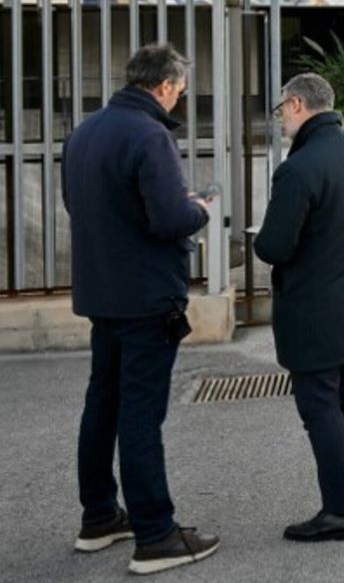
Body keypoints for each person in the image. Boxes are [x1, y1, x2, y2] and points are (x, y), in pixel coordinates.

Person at [62, 43, 220, 575]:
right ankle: (155, 535)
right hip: (146, 296)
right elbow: (167, 220)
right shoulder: (150, 135)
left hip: (101, 292)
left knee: (102, 405)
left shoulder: (86, 132)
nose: (178, 98)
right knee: (140, 416)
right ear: (164, 86)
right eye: (178, 89)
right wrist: (197, 208)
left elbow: (82, 205)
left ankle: (99, 516)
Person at [255, 73, 344, 542]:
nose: (279, 121)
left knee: (320, 406)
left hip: (315, 313)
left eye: (280, 111)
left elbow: (274, 248)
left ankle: (341, 510)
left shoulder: (298, 169)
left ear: (297, 105)